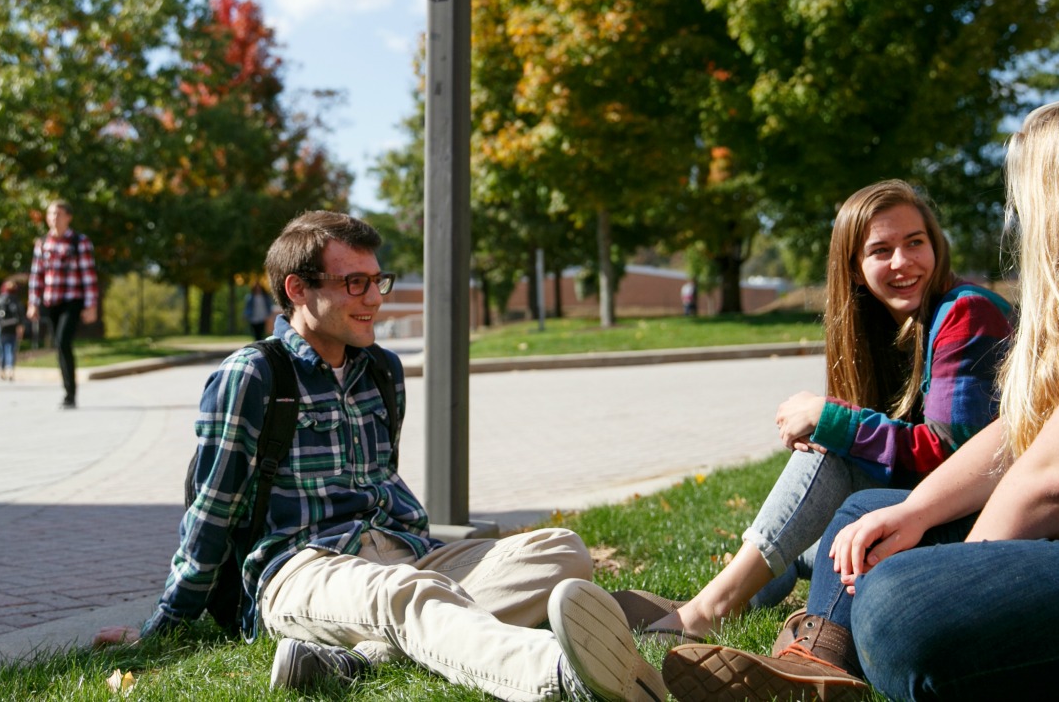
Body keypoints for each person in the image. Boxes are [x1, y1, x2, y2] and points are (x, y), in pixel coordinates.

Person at [661, 96, 1059, 702]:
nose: (1020, 220)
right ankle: (811, 663)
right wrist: (918, 513)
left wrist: (962, 570)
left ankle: (755, 609)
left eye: (1025, 198)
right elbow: (1024, 428)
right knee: (868, 517)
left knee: (903, 607)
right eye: (879, 251)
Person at [94, 211, 664, 702]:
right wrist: (165, 626)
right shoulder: (254, 375)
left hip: (405, 554)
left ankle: (361, 661)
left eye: (377, 281)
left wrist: (425, 553)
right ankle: (561, 675)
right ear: (298, 289)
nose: (375, 299)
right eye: (356, 283)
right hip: (301, 567)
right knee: (405, 597)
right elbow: (211, 514)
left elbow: (383, 480)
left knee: (558, 549)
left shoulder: (382, 371)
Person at [618, 180, 1011, 649]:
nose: (902, 262)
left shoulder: (967, 312)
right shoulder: (892, 324)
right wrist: (838, 425)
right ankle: (731, 595)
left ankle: (711, 608)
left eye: (915, 243)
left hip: (988, 513)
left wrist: (832, 419)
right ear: (855, 267)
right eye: (881, 250)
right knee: (817, 496)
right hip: (933, 505)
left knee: (834, 454)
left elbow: (953, 453)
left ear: (936, 245)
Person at [27, 199, 98, 408]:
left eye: (58, 214)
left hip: (72, 300)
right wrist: (33, 303)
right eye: (50, 214)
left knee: (62, 341)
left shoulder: (79, 242)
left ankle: (70, 394)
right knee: (59, 346)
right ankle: (68, 391)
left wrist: (91, 305)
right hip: (51, 301)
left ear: (68, 217)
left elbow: (88, 275)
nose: (53, 218)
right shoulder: (42, 243)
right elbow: (36, 276)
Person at [0, 279, 24, 381]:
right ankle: (10, 371)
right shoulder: (17, 301)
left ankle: (2, 371)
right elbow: (20, 321)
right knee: (11, 351)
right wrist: (21, 332)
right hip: (13, 329)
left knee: (1, 351)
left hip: (0, 329)